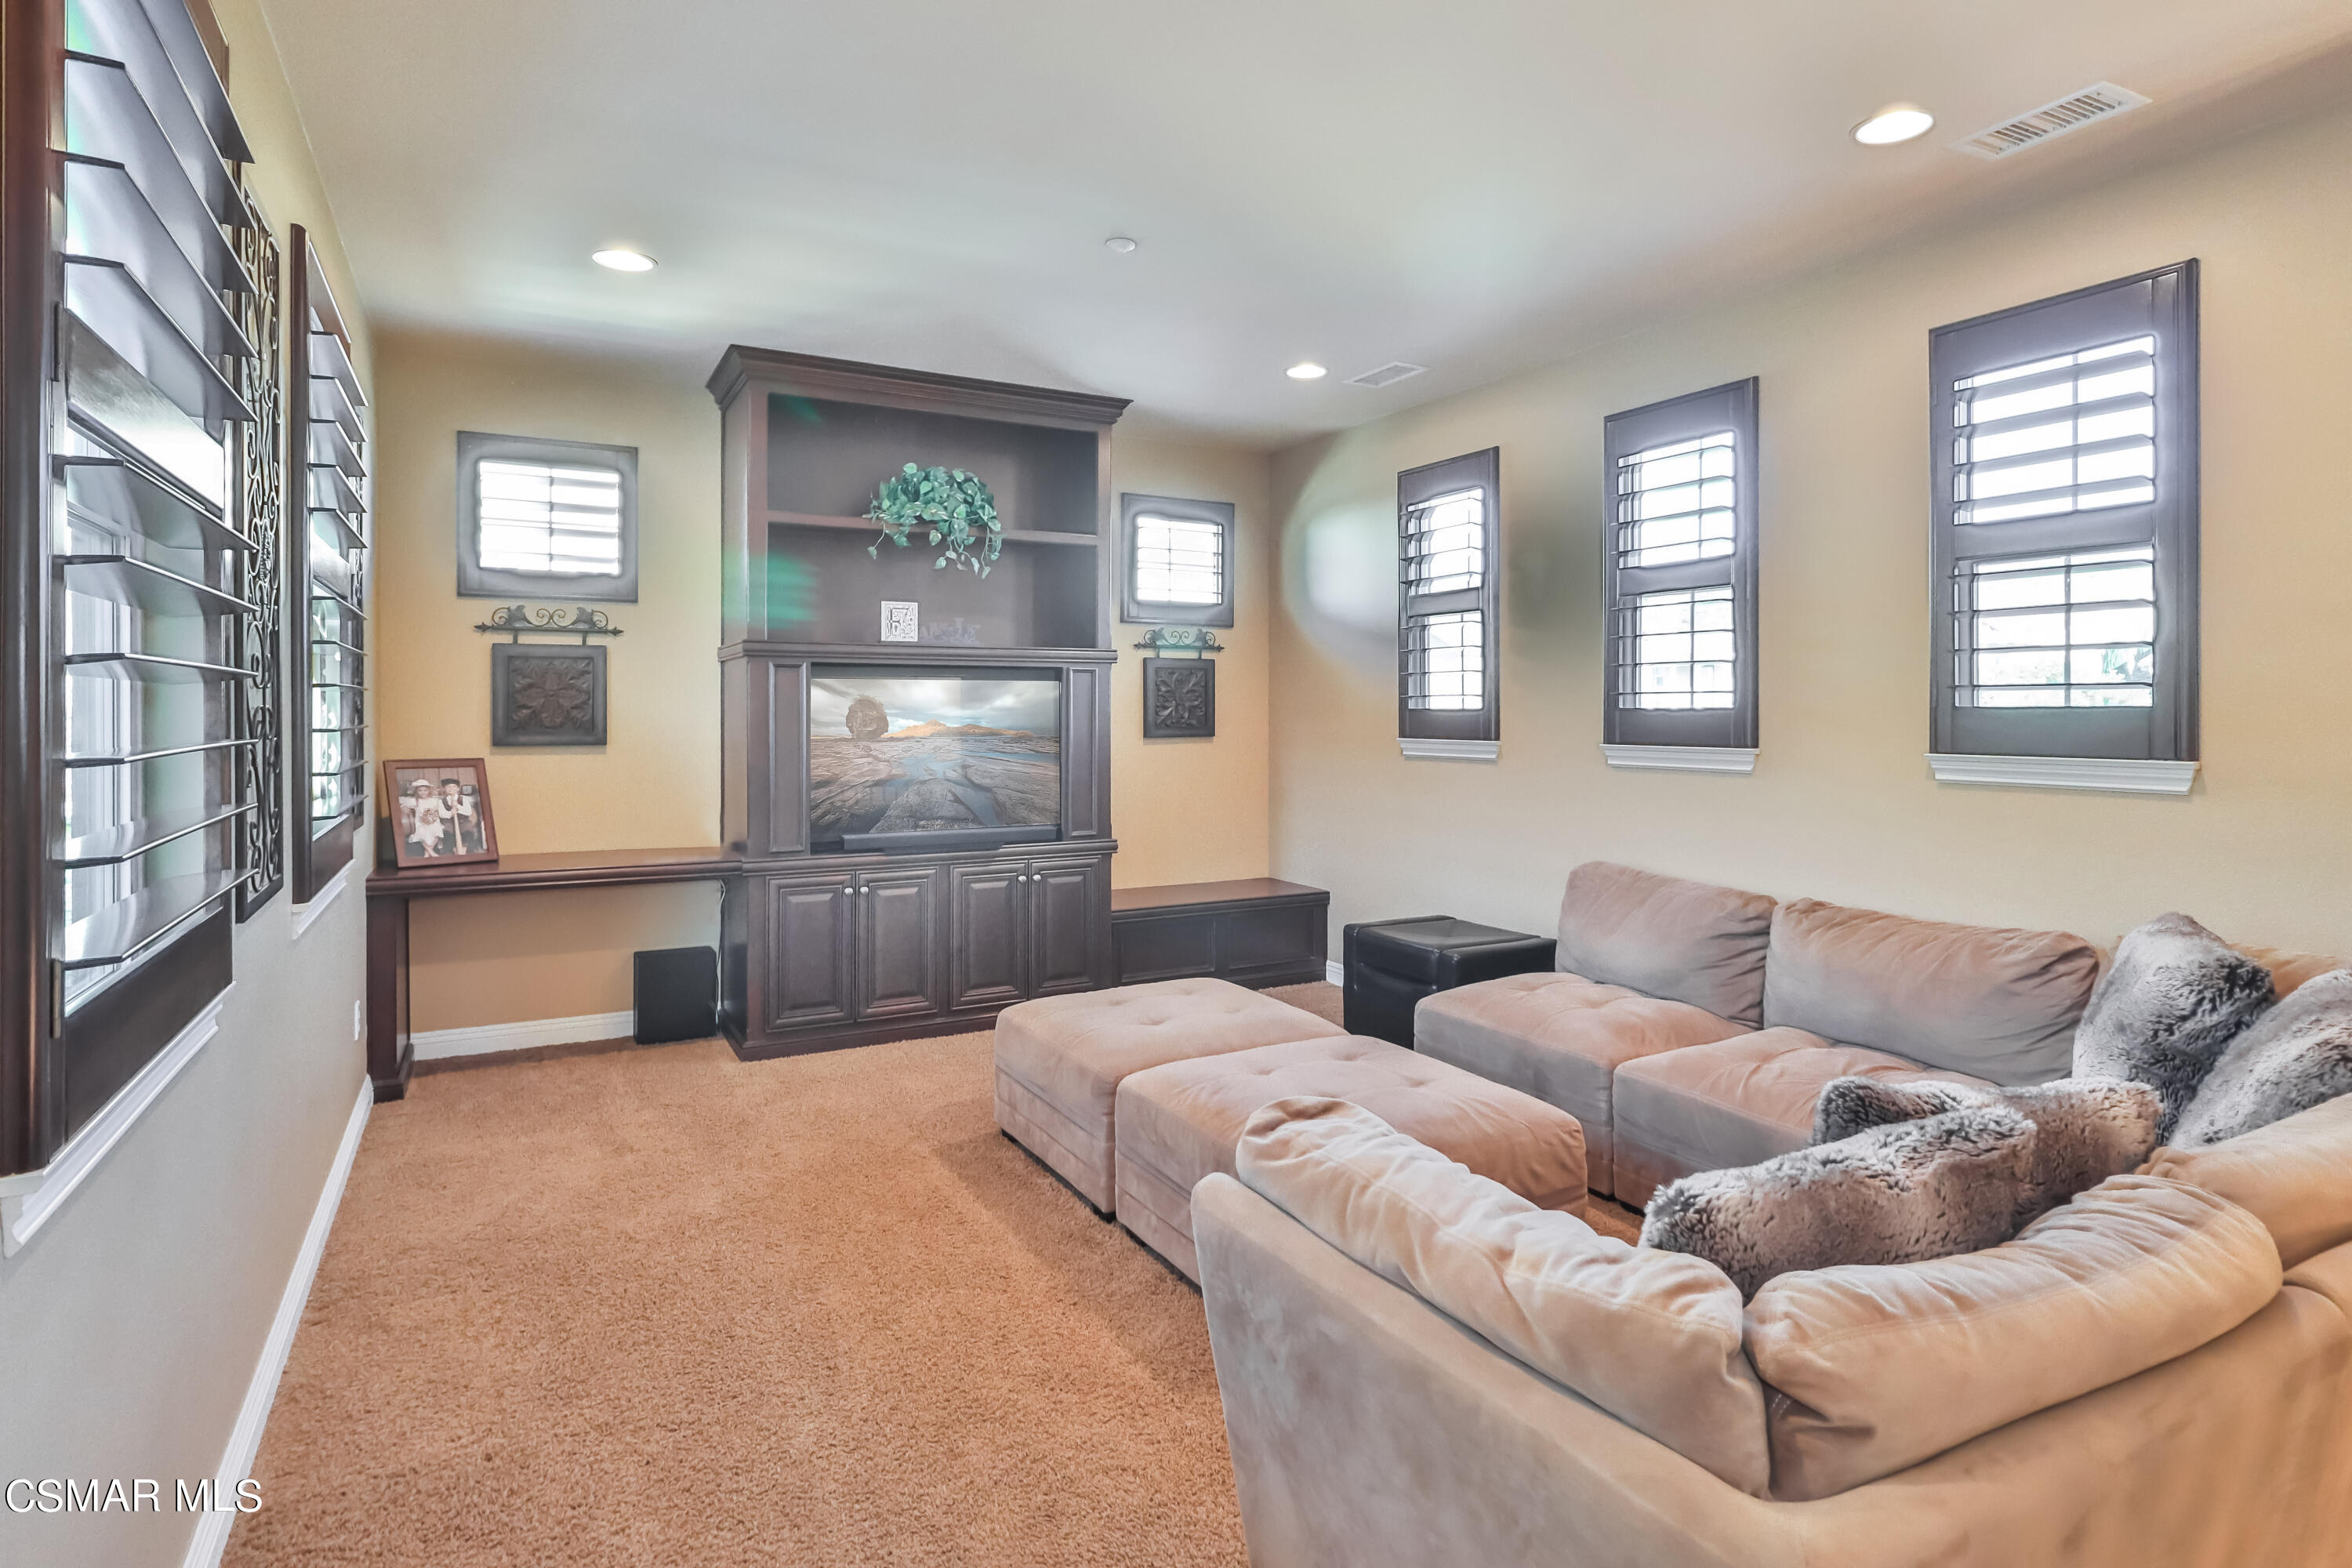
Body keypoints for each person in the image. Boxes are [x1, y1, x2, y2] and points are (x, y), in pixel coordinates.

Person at [401, 777, 446, 859]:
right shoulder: (415, 800)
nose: (423, 793)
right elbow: (403, 803)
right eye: (420, 790)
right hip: (421, 822)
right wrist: (404, 807)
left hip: (433, 820)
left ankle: (427, 851)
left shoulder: (434, 800)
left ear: (429, 791)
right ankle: (431, 852)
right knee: (422, 831)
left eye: (425, 790)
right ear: (416, 791)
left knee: (437, 830)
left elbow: (440, 811)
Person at [442, 777, 486, 856]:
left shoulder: (463, 799)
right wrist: (451, 813)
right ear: (444, 789)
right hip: (449, 821)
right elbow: (442, 814)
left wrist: (458, 807)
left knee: (468, 830)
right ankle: (453, 851)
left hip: (463, 821)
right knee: (447, 831)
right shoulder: (442, 801)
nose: (451, 789)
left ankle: (465, 850)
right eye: (448, 787)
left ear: (458, 789)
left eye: (453, 787)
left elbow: (468, 812)